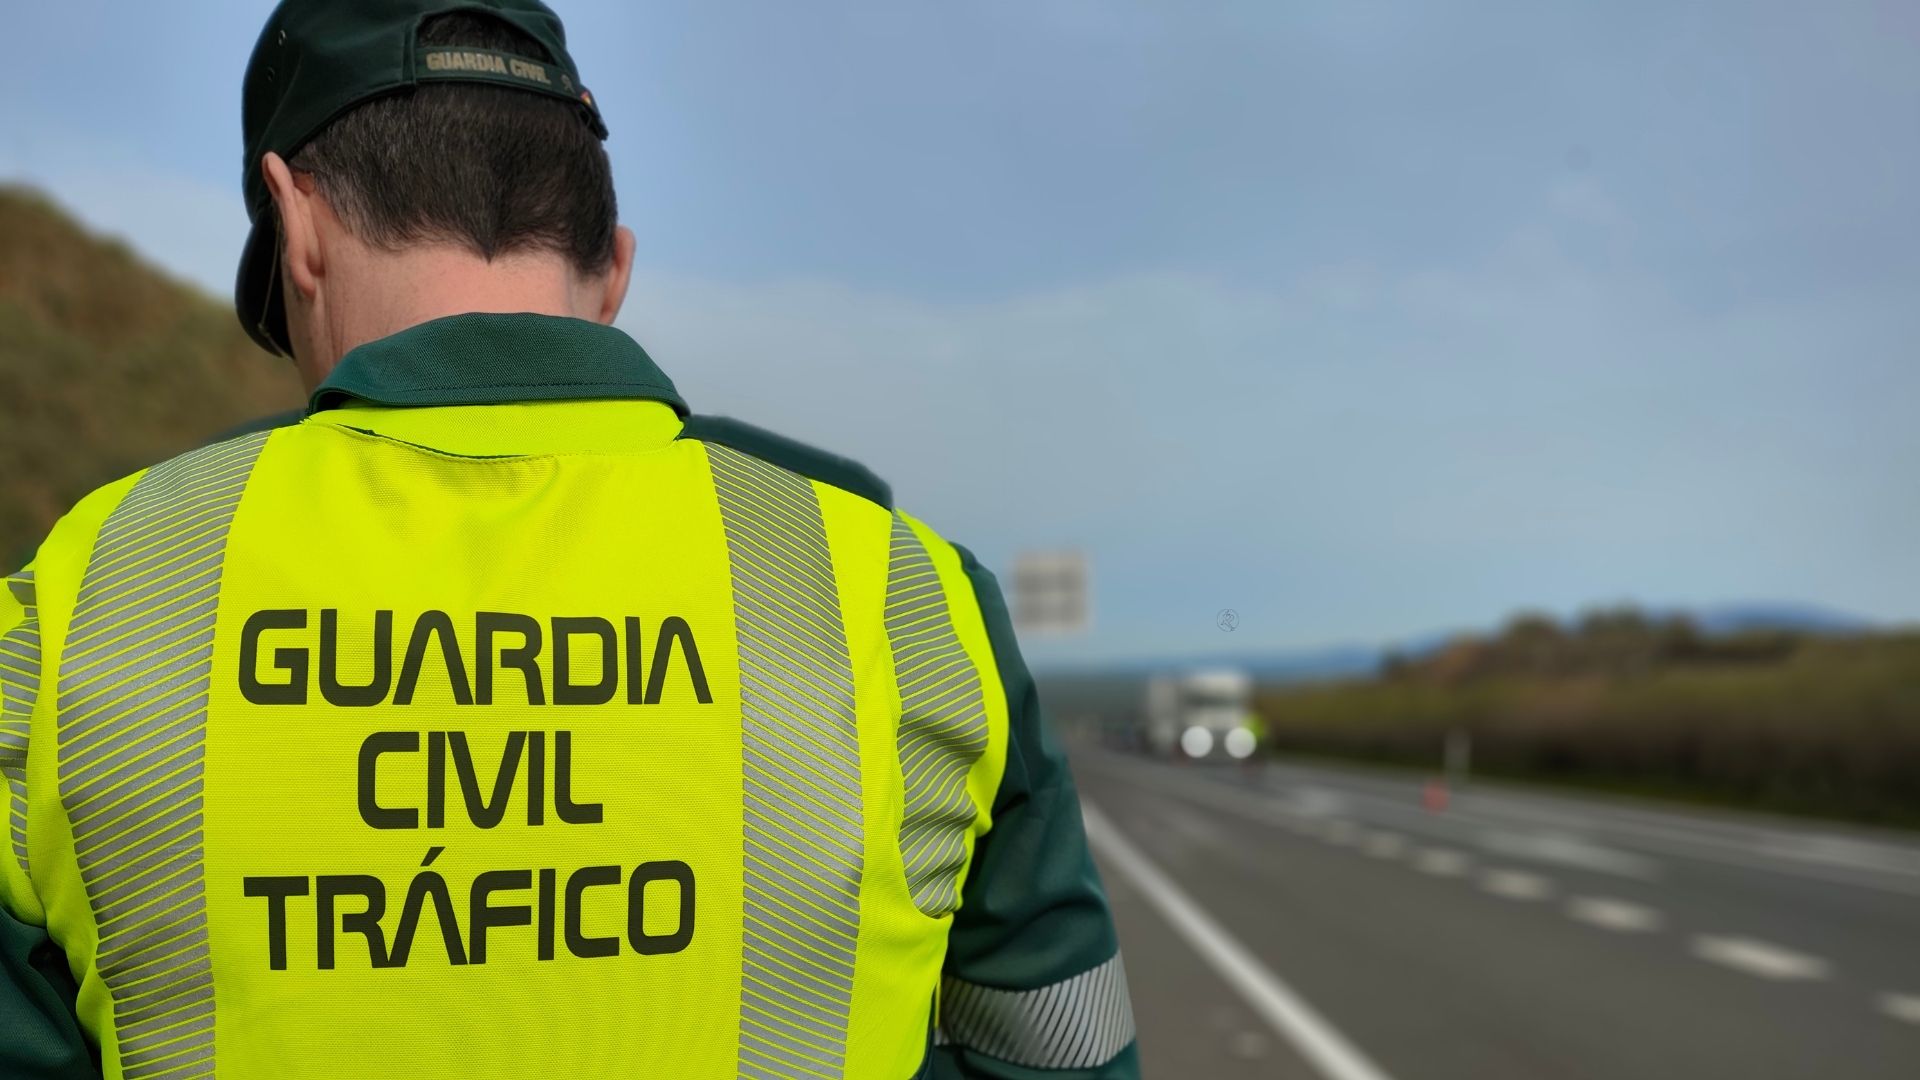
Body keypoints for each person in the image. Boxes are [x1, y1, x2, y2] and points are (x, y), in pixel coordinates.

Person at [0, 1, 1136, 1077]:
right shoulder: (903, 597)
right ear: (614, 270)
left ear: (297, 225)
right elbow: (1062, 1048)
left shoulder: (74, 616)